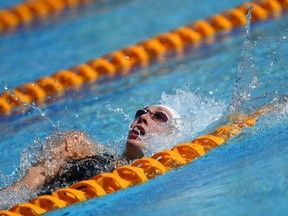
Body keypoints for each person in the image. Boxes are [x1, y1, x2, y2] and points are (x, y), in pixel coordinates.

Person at [2, 105, 180, 196]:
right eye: (141, 112)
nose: (143, 116)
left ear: (172, 135)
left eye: (158, 117)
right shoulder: (97, 155)